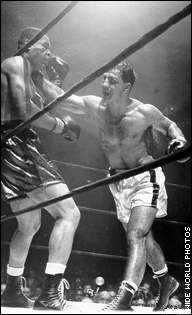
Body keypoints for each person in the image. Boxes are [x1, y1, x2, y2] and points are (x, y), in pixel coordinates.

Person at [36, 61, 190, 311]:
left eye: (112, 81)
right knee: (145, 240)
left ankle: (125, 298)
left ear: (126, 87)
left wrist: (179, 140)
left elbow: (169, 125)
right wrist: (34, 72)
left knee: (136, 235)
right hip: (117, 182)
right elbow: (61, 99)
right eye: (104, 78)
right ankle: (166, 281)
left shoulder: (144, 112)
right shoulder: (95, 107)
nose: (105, 84)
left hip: (144, 177)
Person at [1, 27, 81, 310]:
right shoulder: (16, 62)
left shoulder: (26, 75)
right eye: (45, 46)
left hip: (7, 148)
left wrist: (62, 121)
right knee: (69, 212)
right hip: (17, 144)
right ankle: (50, 292)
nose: (49, 52)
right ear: (27, 44)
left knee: (29, 224)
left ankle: (12, 289)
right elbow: (23, 111)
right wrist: (61, 127)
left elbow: (46, 106)